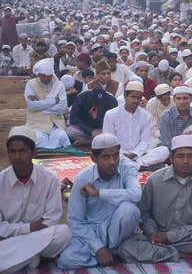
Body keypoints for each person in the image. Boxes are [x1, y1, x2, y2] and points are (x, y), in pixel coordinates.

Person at [118, 135, 192, 263]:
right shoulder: (155, 179)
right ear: (171, 158)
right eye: (180, 156)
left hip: (189, 235)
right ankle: (184, 254)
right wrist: (153, 234)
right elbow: (144, 213)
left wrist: (169, 237)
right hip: (158, 234)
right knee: (125, 247)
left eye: (191, 156)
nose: (185, 161)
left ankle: (162, 251)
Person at [58, 134, 142, 269]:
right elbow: (75, 220)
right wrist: (99, 248)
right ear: (93, 158)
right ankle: (112, 255)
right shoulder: (83, 178)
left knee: (129, 209)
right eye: (106, 157)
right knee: (67, 260)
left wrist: (98, 193)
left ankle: (111, 253)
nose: (112, 161)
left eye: (115, 155)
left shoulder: (127, 167)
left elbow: (136, 194)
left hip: (119, 230)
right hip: (93, 231)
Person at [0, 126, 71, 273]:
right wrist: (29, 228)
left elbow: (50, 220)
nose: (17, 156)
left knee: (63, 233)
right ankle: (32, 257)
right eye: (13, 151)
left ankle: (24, 257)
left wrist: (16, 234)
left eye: (23, 151)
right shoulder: (1, 181)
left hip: (27, 239)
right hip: (19, 239)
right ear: (8, 153)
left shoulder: (49, 179)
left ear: (34, 152)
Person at [103, 81, 170, 170]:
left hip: (139, 155)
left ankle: (134, 165)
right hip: (118, 154)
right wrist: (123, 154)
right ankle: (140, 166)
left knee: (164, 150)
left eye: (139, 98)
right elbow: (109, 141)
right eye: (133, 97)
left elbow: (145, 141)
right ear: (125, 96)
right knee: (108, 153)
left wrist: (134, 154)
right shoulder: (111, 114)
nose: (136, 101)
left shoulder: (145, 115)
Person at [25, 58, 70, 149]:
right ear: (39, 75)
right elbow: (31, 106)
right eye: (43, 76)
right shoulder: (30, 84)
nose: (46, 78)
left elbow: (63, 107)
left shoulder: (59, 85)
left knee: (62, 137)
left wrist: (41, 106)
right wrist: (53, 101)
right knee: (38, 138)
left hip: (56, 123)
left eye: (49, 76)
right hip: (36, 123)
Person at [159, 85, 192, 149]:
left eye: (185, 98)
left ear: (191, 99)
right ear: (174, 99)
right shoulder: (166, 117)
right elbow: (167, 143)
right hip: (172, 152)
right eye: (178, 98)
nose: (182, 102)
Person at [145, 84, 174, 148]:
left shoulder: (174, 101)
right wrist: (162, 136)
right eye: (163, 100)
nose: (167, 102)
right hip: (157, 134)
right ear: (158, 98)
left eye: (168, 99)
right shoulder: (151, 104)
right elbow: (152, 126)